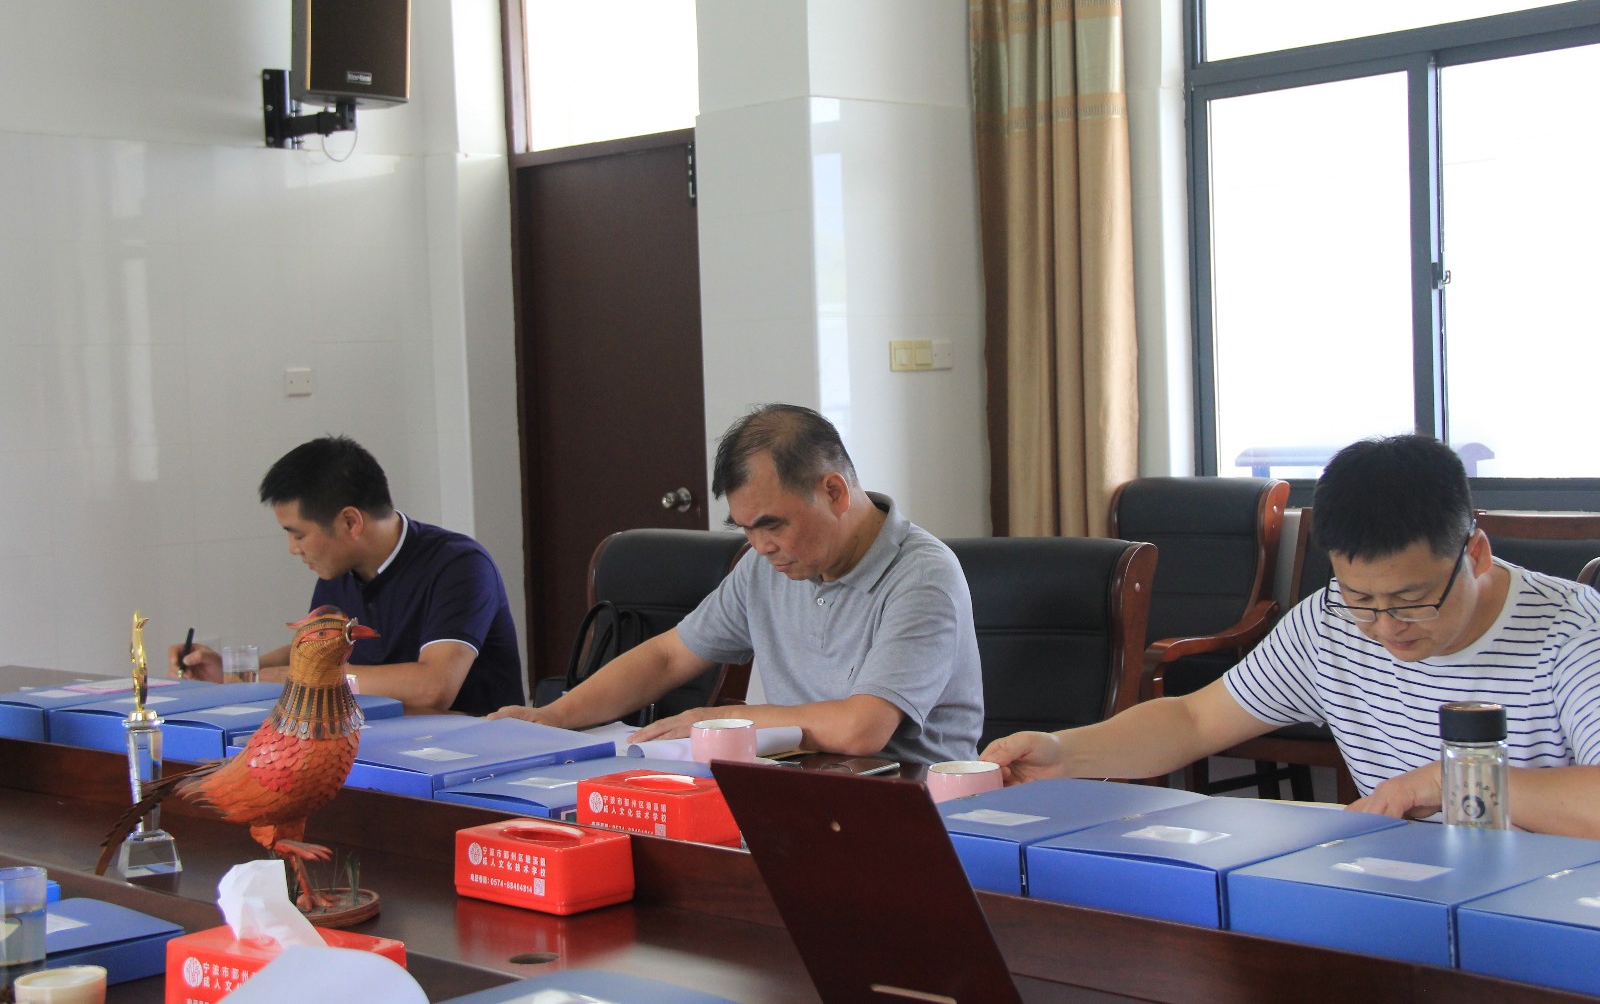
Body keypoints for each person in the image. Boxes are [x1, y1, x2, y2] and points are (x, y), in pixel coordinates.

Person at [984, 434, 1600, 839]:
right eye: (1362, 599)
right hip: (1407, 884)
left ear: (1477, 554)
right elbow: (1194, 722)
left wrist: (1449, 780)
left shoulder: (1573, 634)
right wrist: (1066, 753)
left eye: (1413, 602)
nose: (1386, 628)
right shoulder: (1329, 623)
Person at [491, 403, 983, 765]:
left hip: (907, 804)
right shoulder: (765, 565)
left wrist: (719, 721)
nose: (761, 546)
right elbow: (669, 656)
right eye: (746, 529)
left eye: (772, 525)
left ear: (834, 492)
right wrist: (553, 718)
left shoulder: (922, 577)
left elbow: (862, 728)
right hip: (793, 785)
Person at [169, 435, 525, 716]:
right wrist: (235, 673)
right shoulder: (338, 571)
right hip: (378, 743)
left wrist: (300, 679)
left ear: (350, 522)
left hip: (473, 754)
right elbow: (313, 652)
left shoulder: (459, 565)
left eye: (298, 535)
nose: (293, 549)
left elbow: (433, 688)